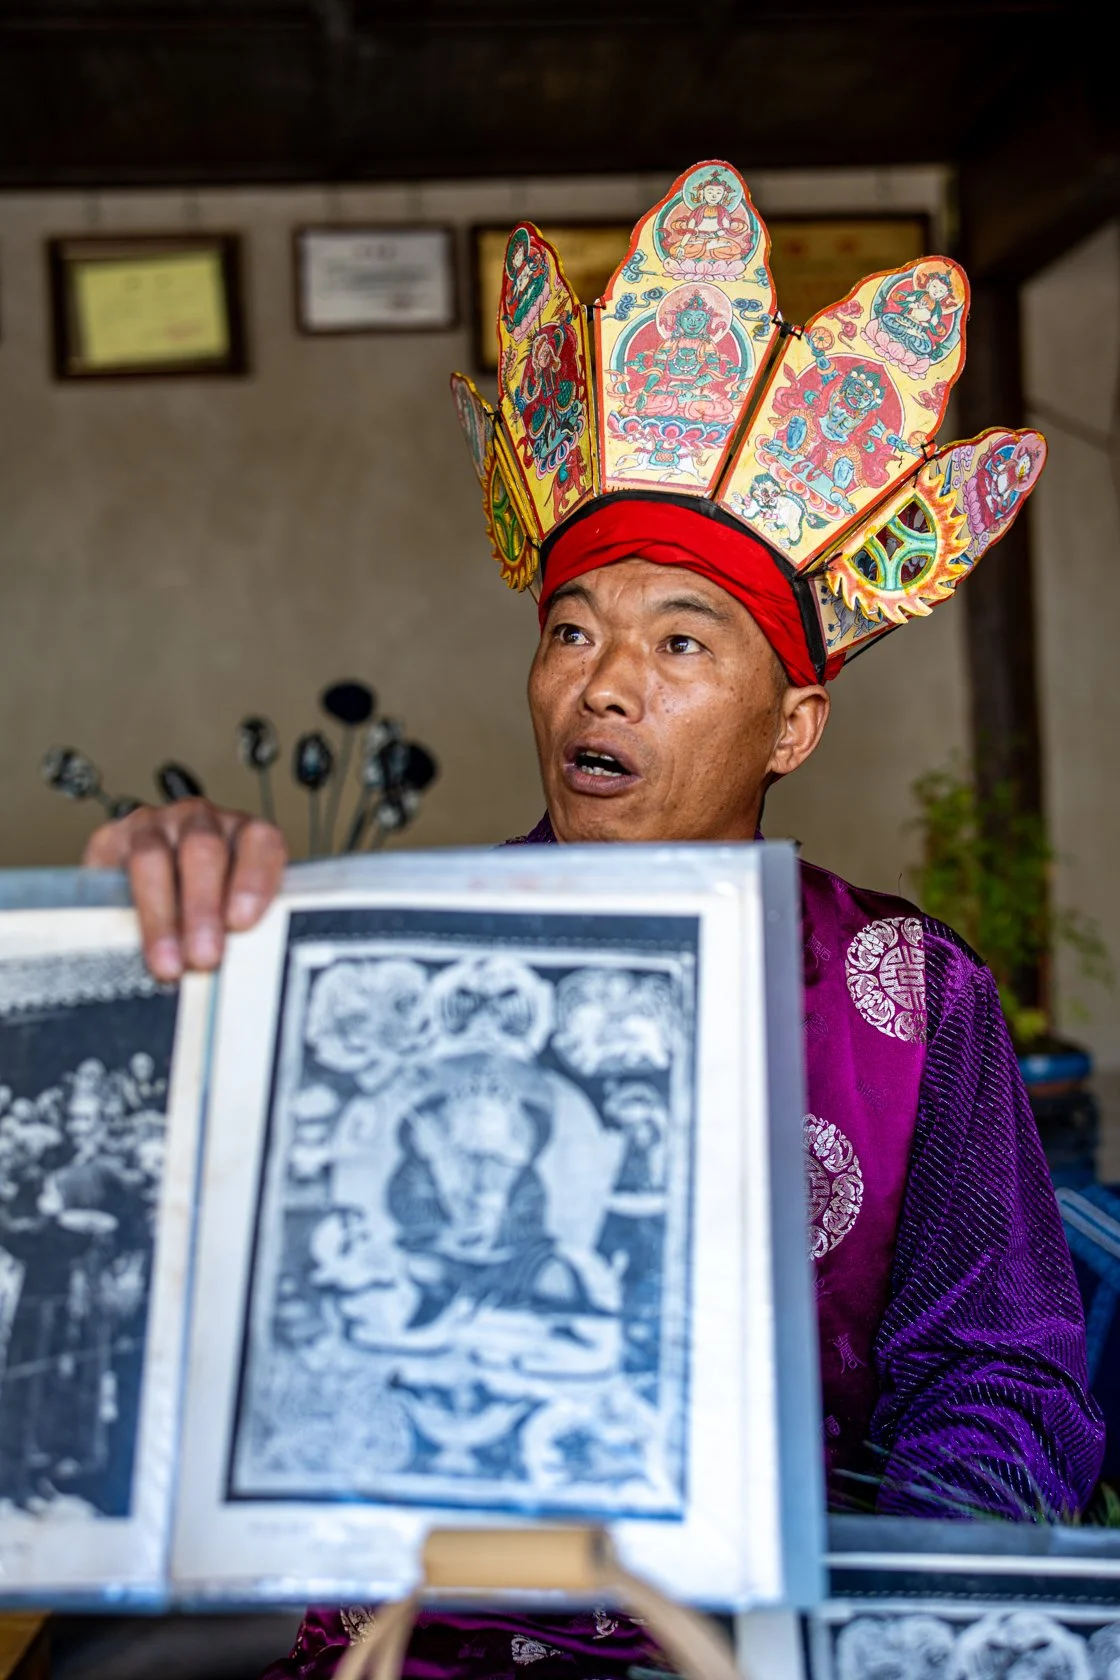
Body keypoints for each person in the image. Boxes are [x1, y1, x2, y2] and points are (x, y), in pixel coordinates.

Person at [84, 161, 1103, 1678]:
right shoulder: (389, 964)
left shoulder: (907, 994)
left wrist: (883, 1625)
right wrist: (166, 947)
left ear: (792, 727)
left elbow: (998, 1370)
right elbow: (171, 1305)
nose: (601, 684)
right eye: (571, 632)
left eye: (679, 641)